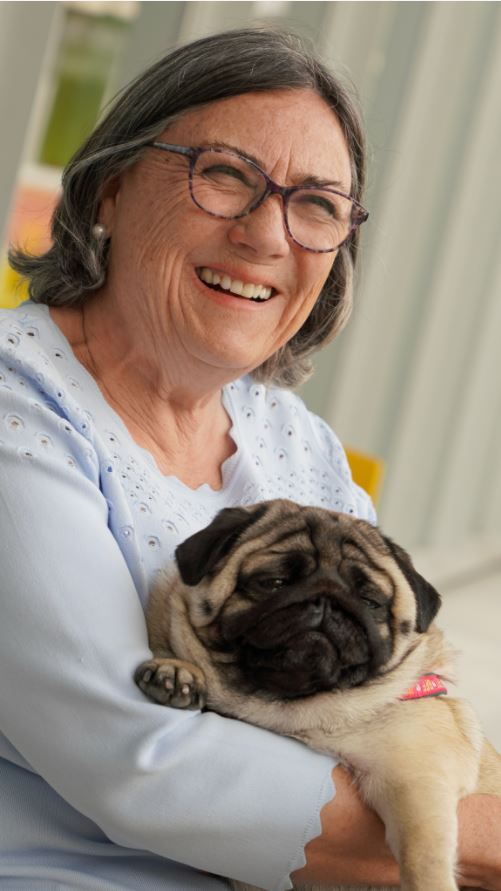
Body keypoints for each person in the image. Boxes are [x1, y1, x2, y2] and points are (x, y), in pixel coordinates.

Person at [1, 27, 500, 891]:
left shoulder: (293, 437)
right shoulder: (20, 409)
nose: (266, 232)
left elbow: (407, 690)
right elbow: (141, 762)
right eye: (225, 175)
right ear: (109, 190)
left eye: (316, 204)